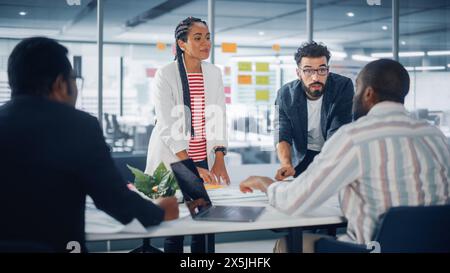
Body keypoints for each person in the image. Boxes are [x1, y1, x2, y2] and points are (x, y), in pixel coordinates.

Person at [240, 59, 450, 253]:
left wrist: (266, 183)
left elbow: (294, 201)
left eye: (357, 89)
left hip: (373, 249)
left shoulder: (355, 137)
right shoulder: (435, 135)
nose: (353, 97)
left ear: (368, 93)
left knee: (287, 245)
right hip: (435, 246)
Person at [0, 37, 179, 252]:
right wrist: (160, 211)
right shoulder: (78, 126)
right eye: (74, 80)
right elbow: (115, 201)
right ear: (60, 84)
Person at [145, 17, 229, 253]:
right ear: (182, 43)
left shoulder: (213, 73)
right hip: (175, 160)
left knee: (203, 223)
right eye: (198, 38)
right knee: (176, 226)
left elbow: (218, 114)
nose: (206, 43)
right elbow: (167, 122)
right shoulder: (166, 73)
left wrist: (219, 158)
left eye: (208, 37)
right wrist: (190, 166)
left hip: (203, 158)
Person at [274, 41, 354, 181]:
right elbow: (282, 132)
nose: (316, 77)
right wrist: (286, 164)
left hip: (333, 153)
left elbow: (338, 131)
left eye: (321, 70)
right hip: (303, 156)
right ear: (298, 73)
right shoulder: (285, 94)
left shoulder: (342, 87)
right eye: (308, 70)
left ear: (328, 71)